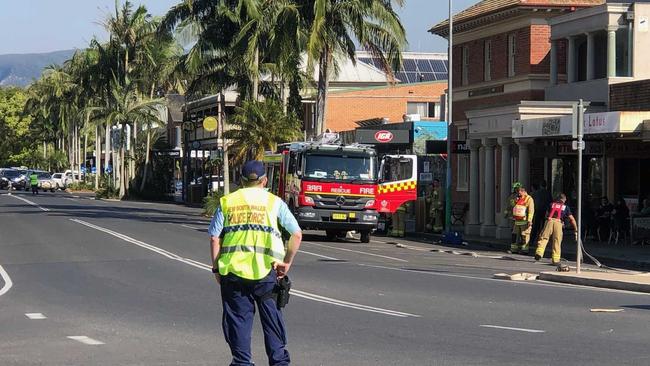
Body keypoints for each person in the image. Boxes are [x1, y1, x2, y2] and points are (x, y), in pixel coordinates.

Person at [208, 160, 302, 366]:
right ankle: (278, 363)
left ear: (241, 181)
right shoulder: (274, 203)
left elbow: (215, 238)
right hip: (267, 273)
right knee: (272, 322)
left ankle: (242, 362)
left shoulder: (227, 202)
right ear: (265, 180)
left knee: (238, 322)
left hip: (233, 274)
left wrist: (216, 268)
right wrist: (286, 262)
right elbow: (296, 234)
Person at [535, 193, 577, 265]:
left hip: (549, 221)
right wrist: (576, 229)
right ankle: (555, 260)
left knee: (544, 238)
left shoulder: (551, 205)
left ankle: (539, 252)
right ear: (564, 200)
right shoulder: (566, 207)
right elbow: (572, 219)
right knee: (557, 241)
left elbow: (546, 214)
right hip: (558, 223)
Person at [508, 186, 535, 254]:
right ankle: (514, 249)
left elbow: (531, 210)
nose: (518, 194)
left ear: (524, 191)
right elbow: (513, 207)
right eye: (518, 193)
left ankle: (524, 250)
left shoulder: (529, 199)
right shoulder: (517, 199)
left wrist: (529, 220)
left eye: (520, 193)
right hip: (517, 221)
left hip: (525, 221)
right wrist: (514, 200)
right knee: (514, 235)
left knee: (524, 236)